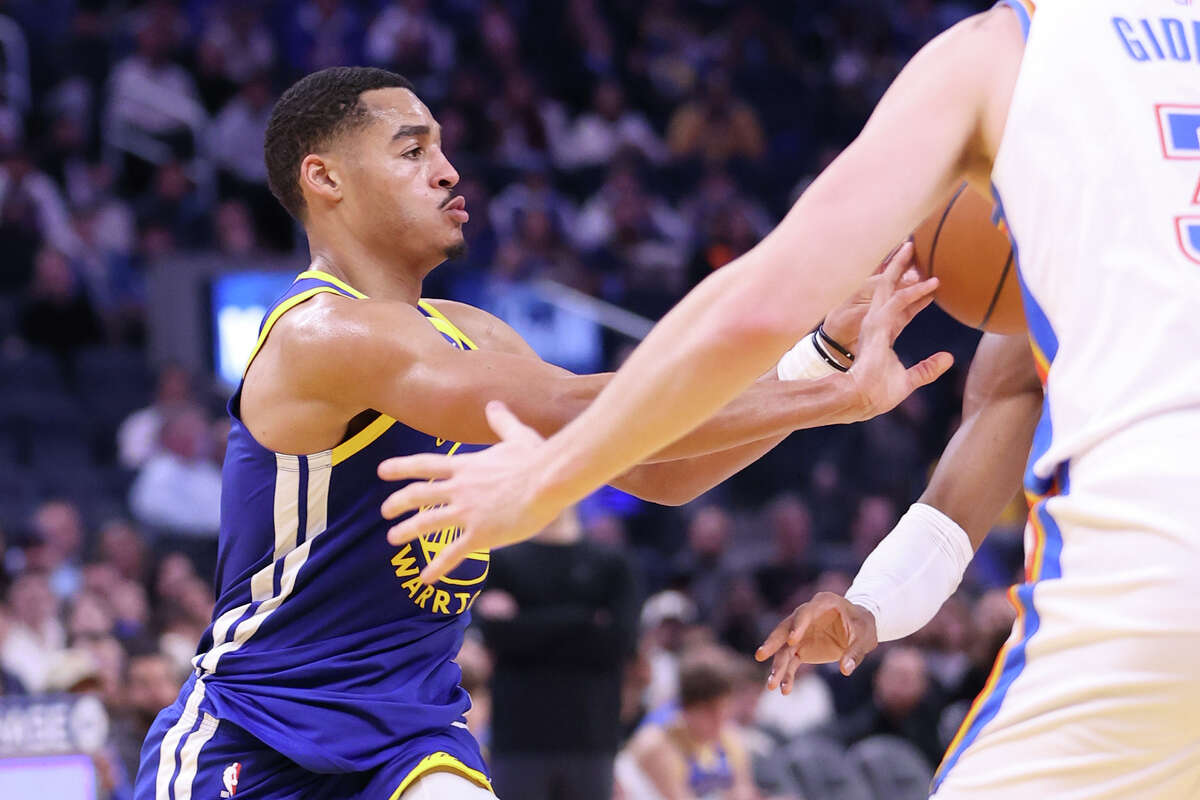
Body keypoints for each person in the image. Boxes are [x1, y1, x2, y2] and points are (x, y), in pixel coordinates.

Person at [380, 2, 1200, 797]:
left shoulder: (1005, 50)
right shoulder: (347, 332)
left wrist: (547, 477)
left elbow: (754, 311)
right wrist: (872, 604)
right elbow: (994, 418)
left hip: (1159, 554)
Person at [134, 66, 944, 800]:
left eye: (443, 149)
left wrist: (824, 357)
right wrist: (830, 397)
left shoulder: (473, 333)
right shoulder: (321, 337)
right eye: (413, 151)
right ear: (325, 179)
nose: (449, 171)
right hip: (259, 732)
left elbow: (657, 469)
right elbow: (587, 409)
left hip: (413, 741)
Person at [477, 506, 638, 800]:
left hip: (591, 739)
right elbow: (498, 635)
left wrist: (524, 623)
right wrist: (584, 619)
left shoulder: (612, 563)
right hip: (518, 740)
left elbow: (617, 644)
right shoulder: (502, 562)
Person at [620, 647, 761, 800]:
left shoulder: (730, 738)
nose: (719, 721)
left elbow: (743, 792)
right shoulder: (656, 745)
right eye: (711, 712)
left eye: (724, 710)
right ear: (687, 708)